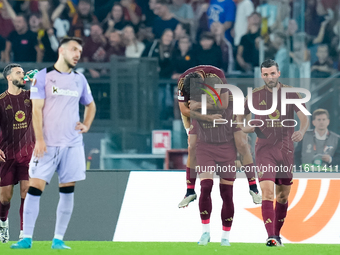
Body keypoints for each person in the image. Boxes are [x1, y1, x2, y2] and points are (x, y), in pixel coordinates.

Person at [11, 37, 96, 250]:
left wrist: (86, 124)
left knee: (67, 189)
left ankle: (58, 239)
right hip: (47, 144)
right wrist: (39, 139)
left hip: (72, 145)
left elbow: (90, 105)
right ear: (62, 50)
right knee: (35, 187)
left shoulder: (80, 79)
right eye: (74, 49)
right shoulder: (43, 76)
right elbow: (36, 110)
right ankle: (26, 238)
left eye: (80, 50)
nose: (77, 54)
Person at [237, 59, 309, 246]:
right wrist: (247, 128)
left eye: (272, 73)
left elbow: (303, 117)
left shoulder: (291, 93)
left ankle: (277, 235)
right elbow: (239, 121)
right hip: (264, 150)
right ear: (262, 75)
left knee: (283, 196)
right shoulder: (254, 96)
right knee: (267, 193)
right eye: (266, 74)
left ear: (278, 73)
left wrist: (301, 131)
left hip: (285, 150)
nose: (269, 77)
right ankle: (271, 236)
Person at [177, 65, 261, 208]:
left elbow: (223, 104)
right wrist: (192, 123)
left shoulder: (217, 75)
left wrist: (199, 105)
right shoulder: (182, 83)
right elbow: (184, 109)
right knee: (192, 146)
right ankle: (189, 191)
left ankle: (253, 188)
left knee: (241, 143)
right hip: (199, 109)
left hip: (229, 103)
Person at [189, 76, 236, 246]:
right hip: (206, 147)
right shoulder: (197, 102)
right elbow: (189, 113)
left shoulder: (228, 100)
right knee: (206, 186)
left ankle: (225, 237)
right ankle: (205, 232)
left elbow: (236, 118)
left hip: (227, 147)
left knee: (227, 194)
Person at [0, 64, 35, 243]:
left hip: (28, 153)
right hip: (6, 155)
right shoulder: (1, 101)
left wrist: (36, 83)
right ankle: (3, 223)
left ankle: (24, 233)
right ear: (8, 77)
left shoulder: (30, 96)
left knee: (26, 192)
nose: (22, 75)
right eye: (18, 73)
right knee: (5, 198)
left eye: (23, 72)